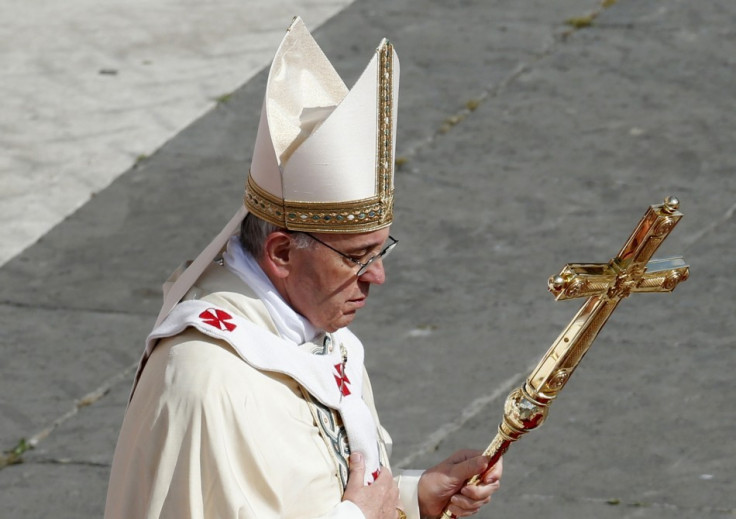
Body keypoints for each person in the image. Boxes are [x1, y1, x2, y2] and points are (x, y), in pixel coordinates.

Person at [104, 17, 502, 519]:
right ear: (282, 254)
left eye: (380, 252)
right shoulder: (209, 381)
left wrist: (411, 497)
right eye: (356, 257)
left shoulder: (313, 335)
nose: (377, 277)